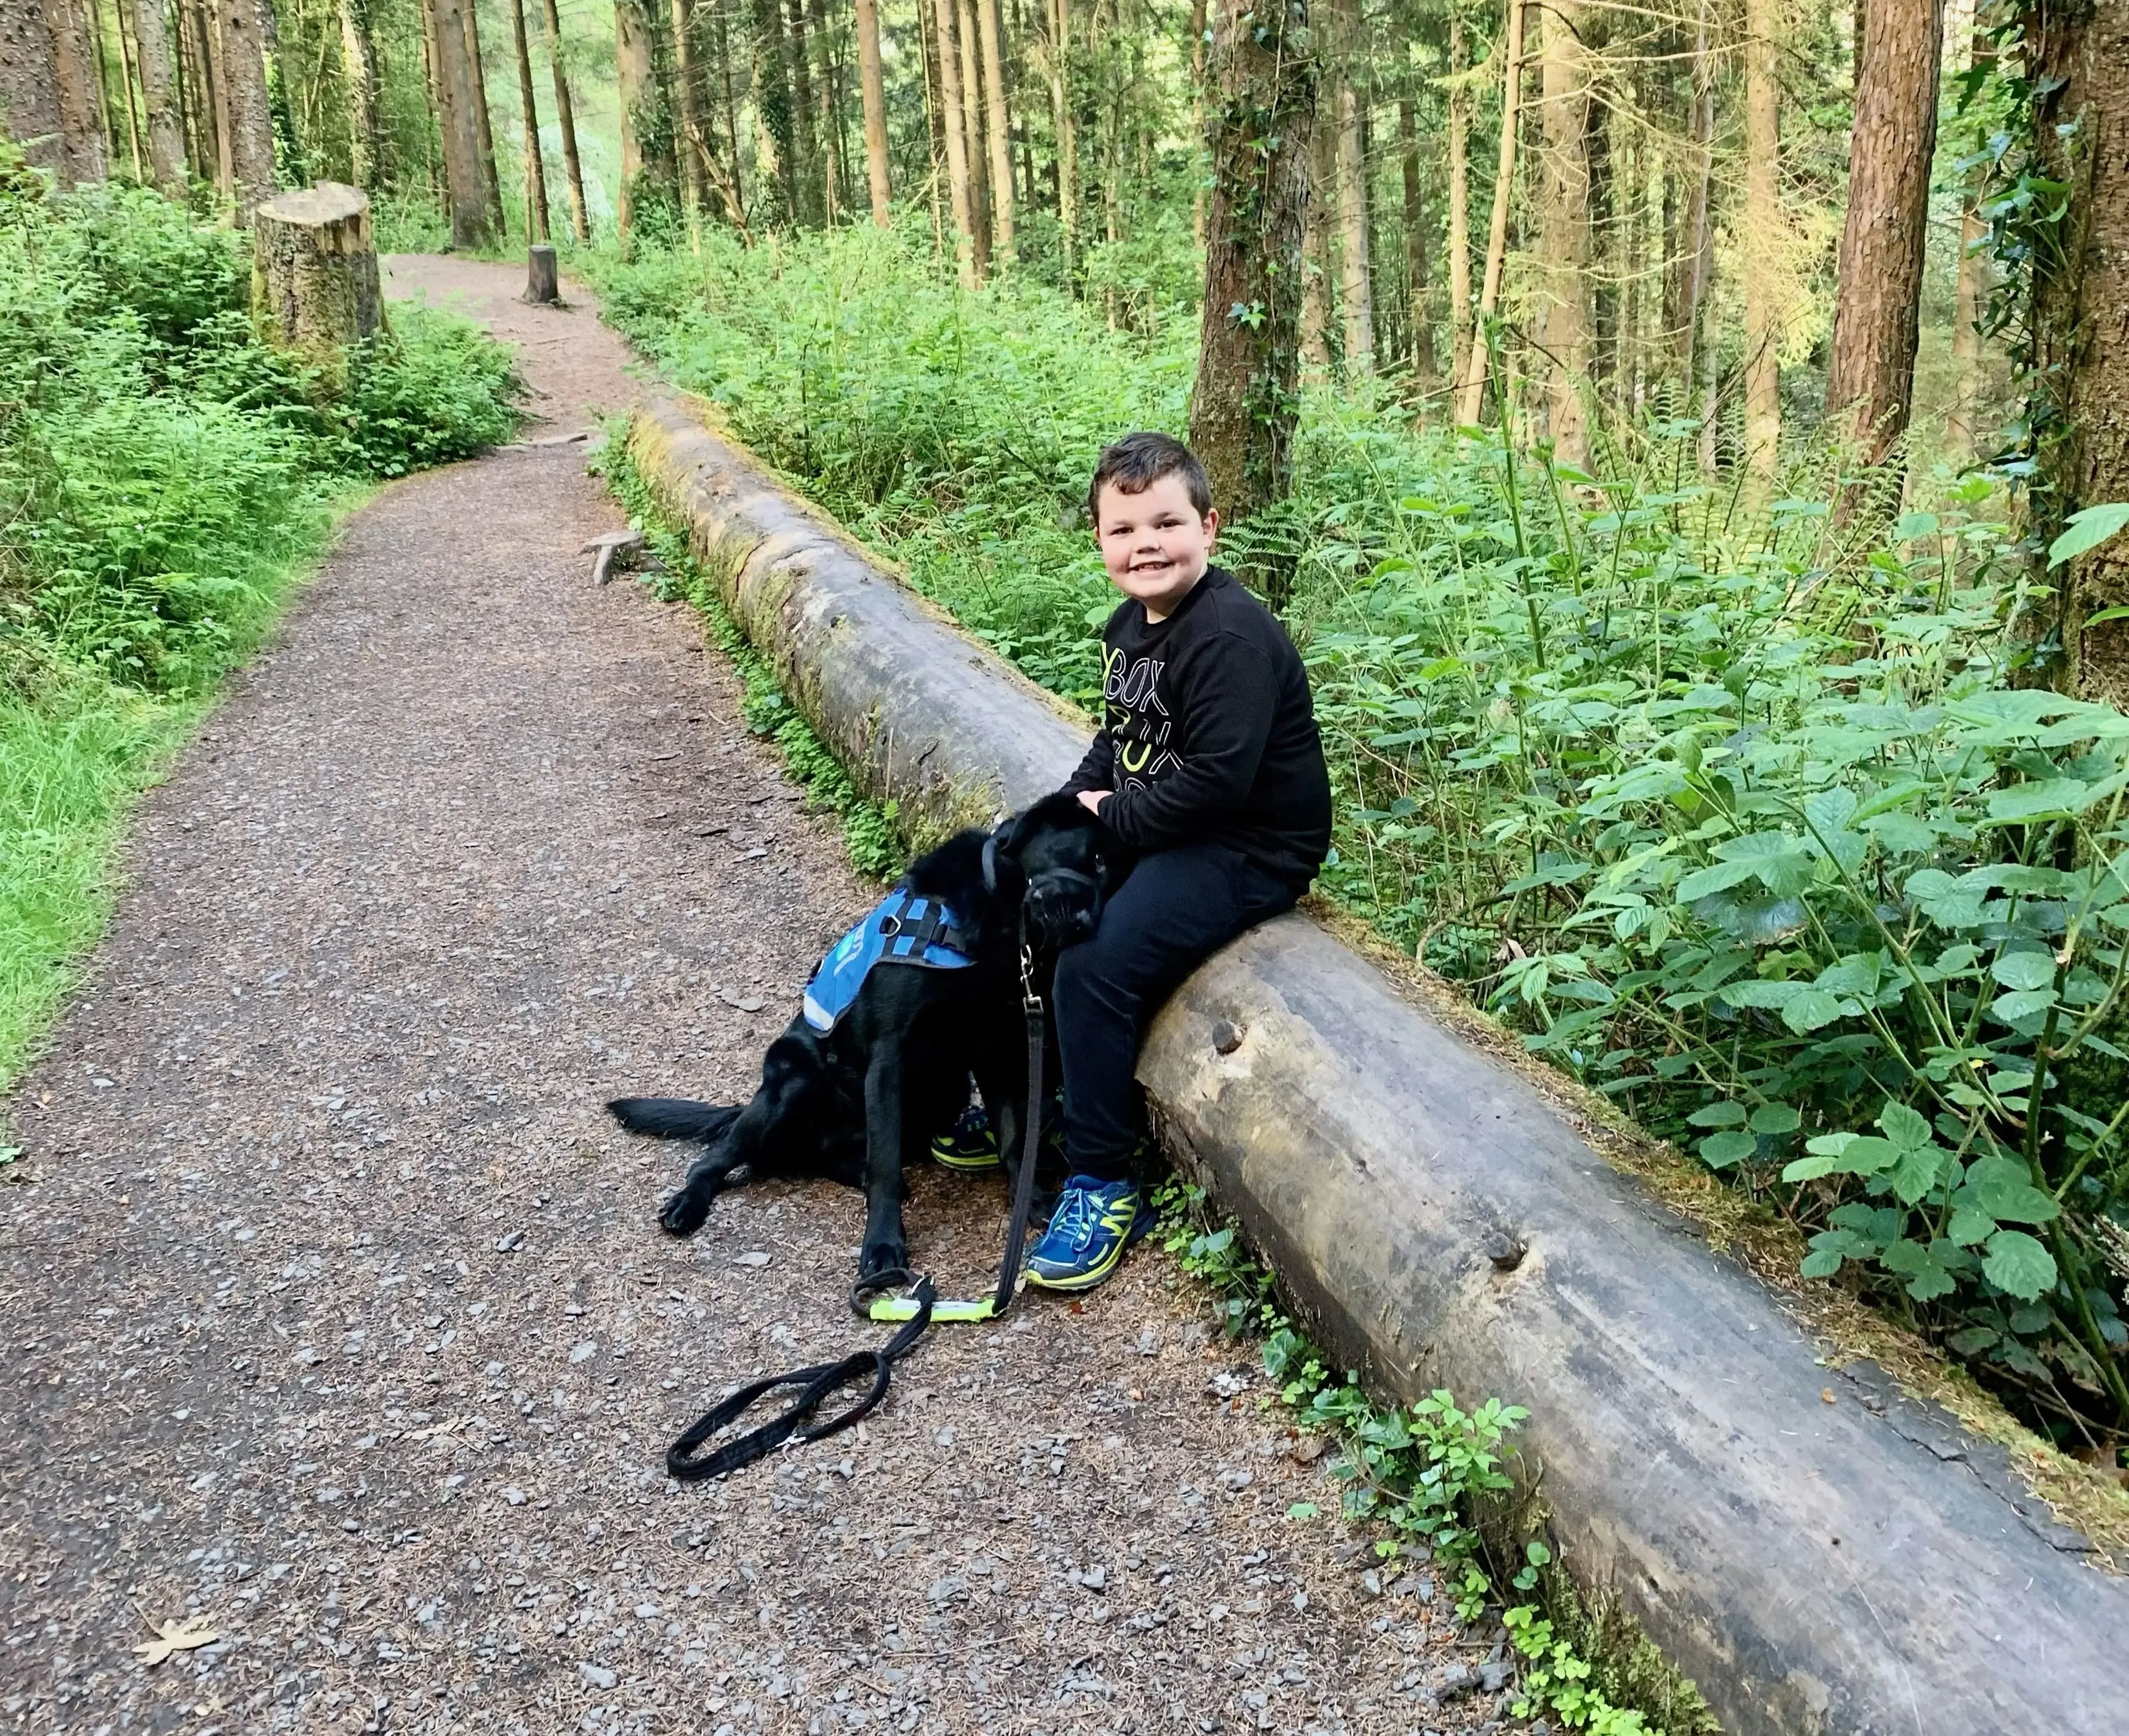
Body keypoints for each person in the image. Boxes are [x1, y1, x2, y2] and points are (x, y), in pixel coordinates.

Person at [1022, 431, 1333, 1291]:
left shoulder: (1229, 635)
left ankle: (1102, 1180)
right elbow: (1118, 739)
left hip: (1248, 844)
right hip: (1169, 823)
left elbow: (1215, 787)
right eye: (1124, 530)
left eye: (1166, 522)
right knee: (1041, 908)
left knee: (1093, 962)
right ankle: (1040, 1107)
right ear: (1100, 541)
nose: (1146, 544)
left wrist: (1113, 820)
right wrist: (1066, 815)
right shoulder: (1132, 622)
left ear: (1210, 526)